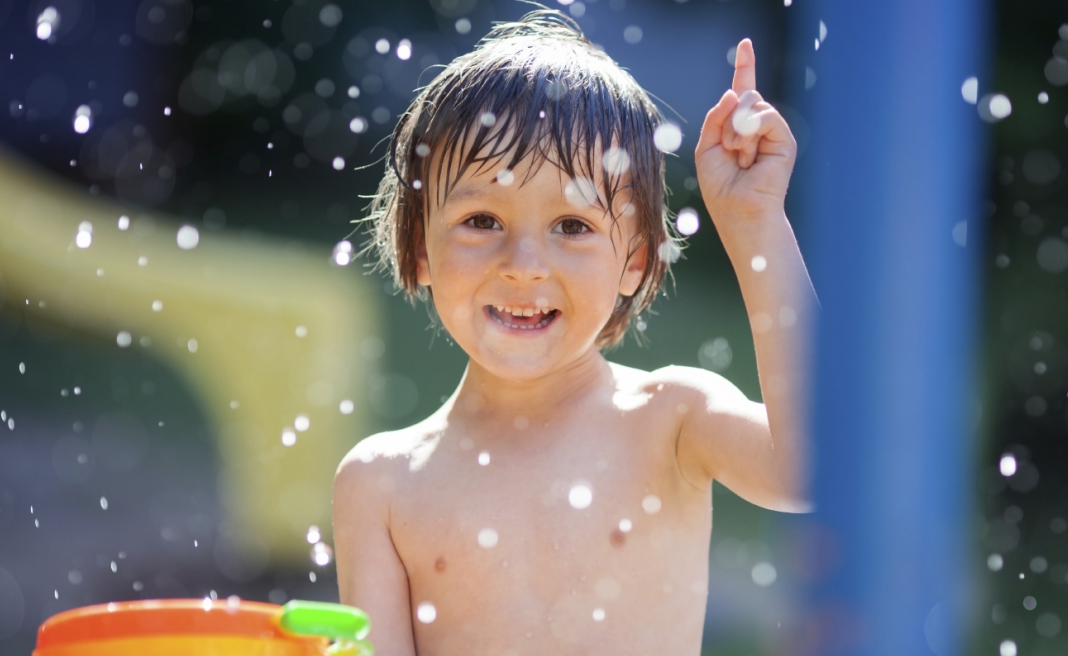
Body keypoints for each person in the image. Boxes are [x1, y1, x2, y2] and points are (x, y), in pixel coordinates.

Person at [333, 10, 815, 655]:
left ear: (636, 260)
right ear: (420, 248)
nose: (523, 265)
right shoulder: (380, 485)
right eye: (481, 219)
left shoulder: (671, 423)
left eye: (572, 226)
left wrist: (754, 222)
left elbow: (814, 471)